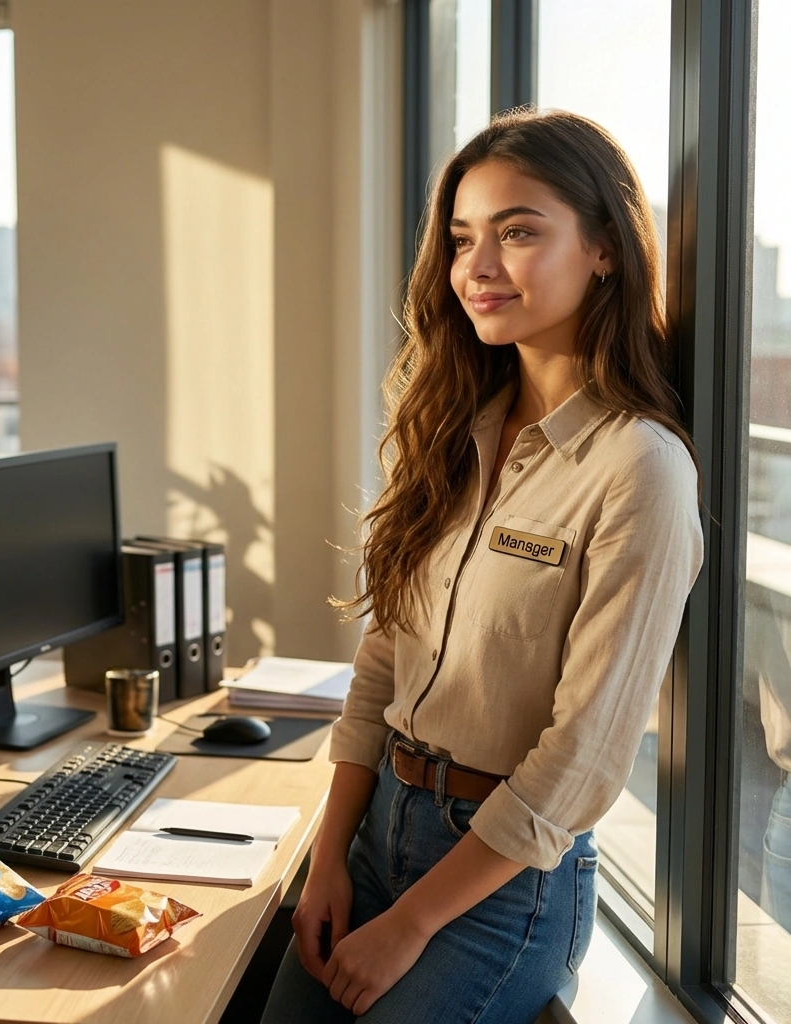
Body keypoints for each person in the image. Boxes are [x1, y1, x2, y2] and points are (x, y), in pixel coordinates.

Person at [261, 108, 704, 1024]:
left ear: (605, 250)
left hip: (503, 886)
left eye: (519, 231)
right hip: (377, 827)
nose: (480, 266)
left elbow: (580, 762)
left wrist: (411, 924)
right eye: (464, 238)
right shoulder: (451, 433)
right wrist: (329, 857)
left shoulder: (639, 469)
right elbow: (382, 667)